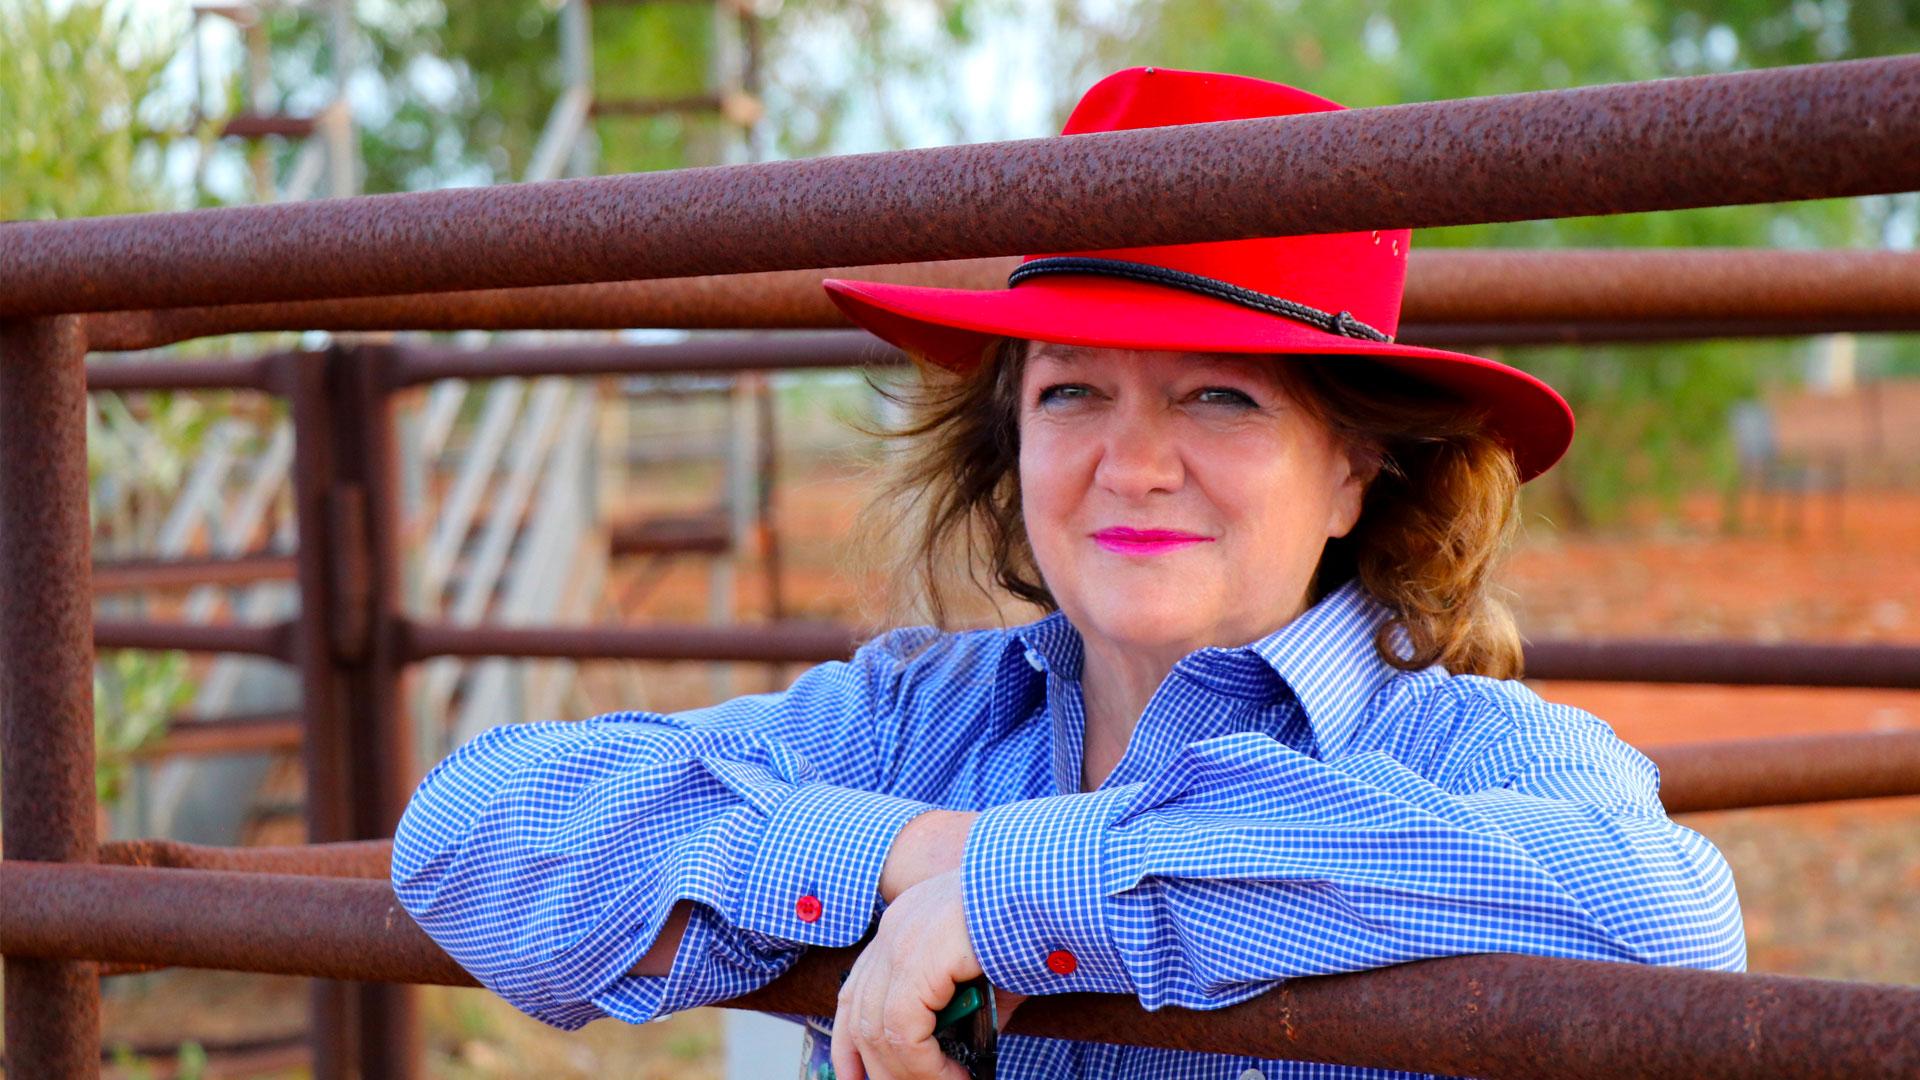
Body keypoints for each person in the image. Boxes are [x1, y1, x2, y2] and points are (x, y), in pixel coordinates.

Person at [391, 67, 1747, 1080]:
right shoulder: (914, 720)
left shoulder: (1466, 754)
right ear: (1010, 437)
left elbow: (1663, 920)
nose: (1132, 463)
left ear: (1356, 467)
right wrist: (923, 853)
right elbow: (467, 837)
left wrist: (1024, 893)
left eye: (1221, 399)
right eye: (1072, 392)